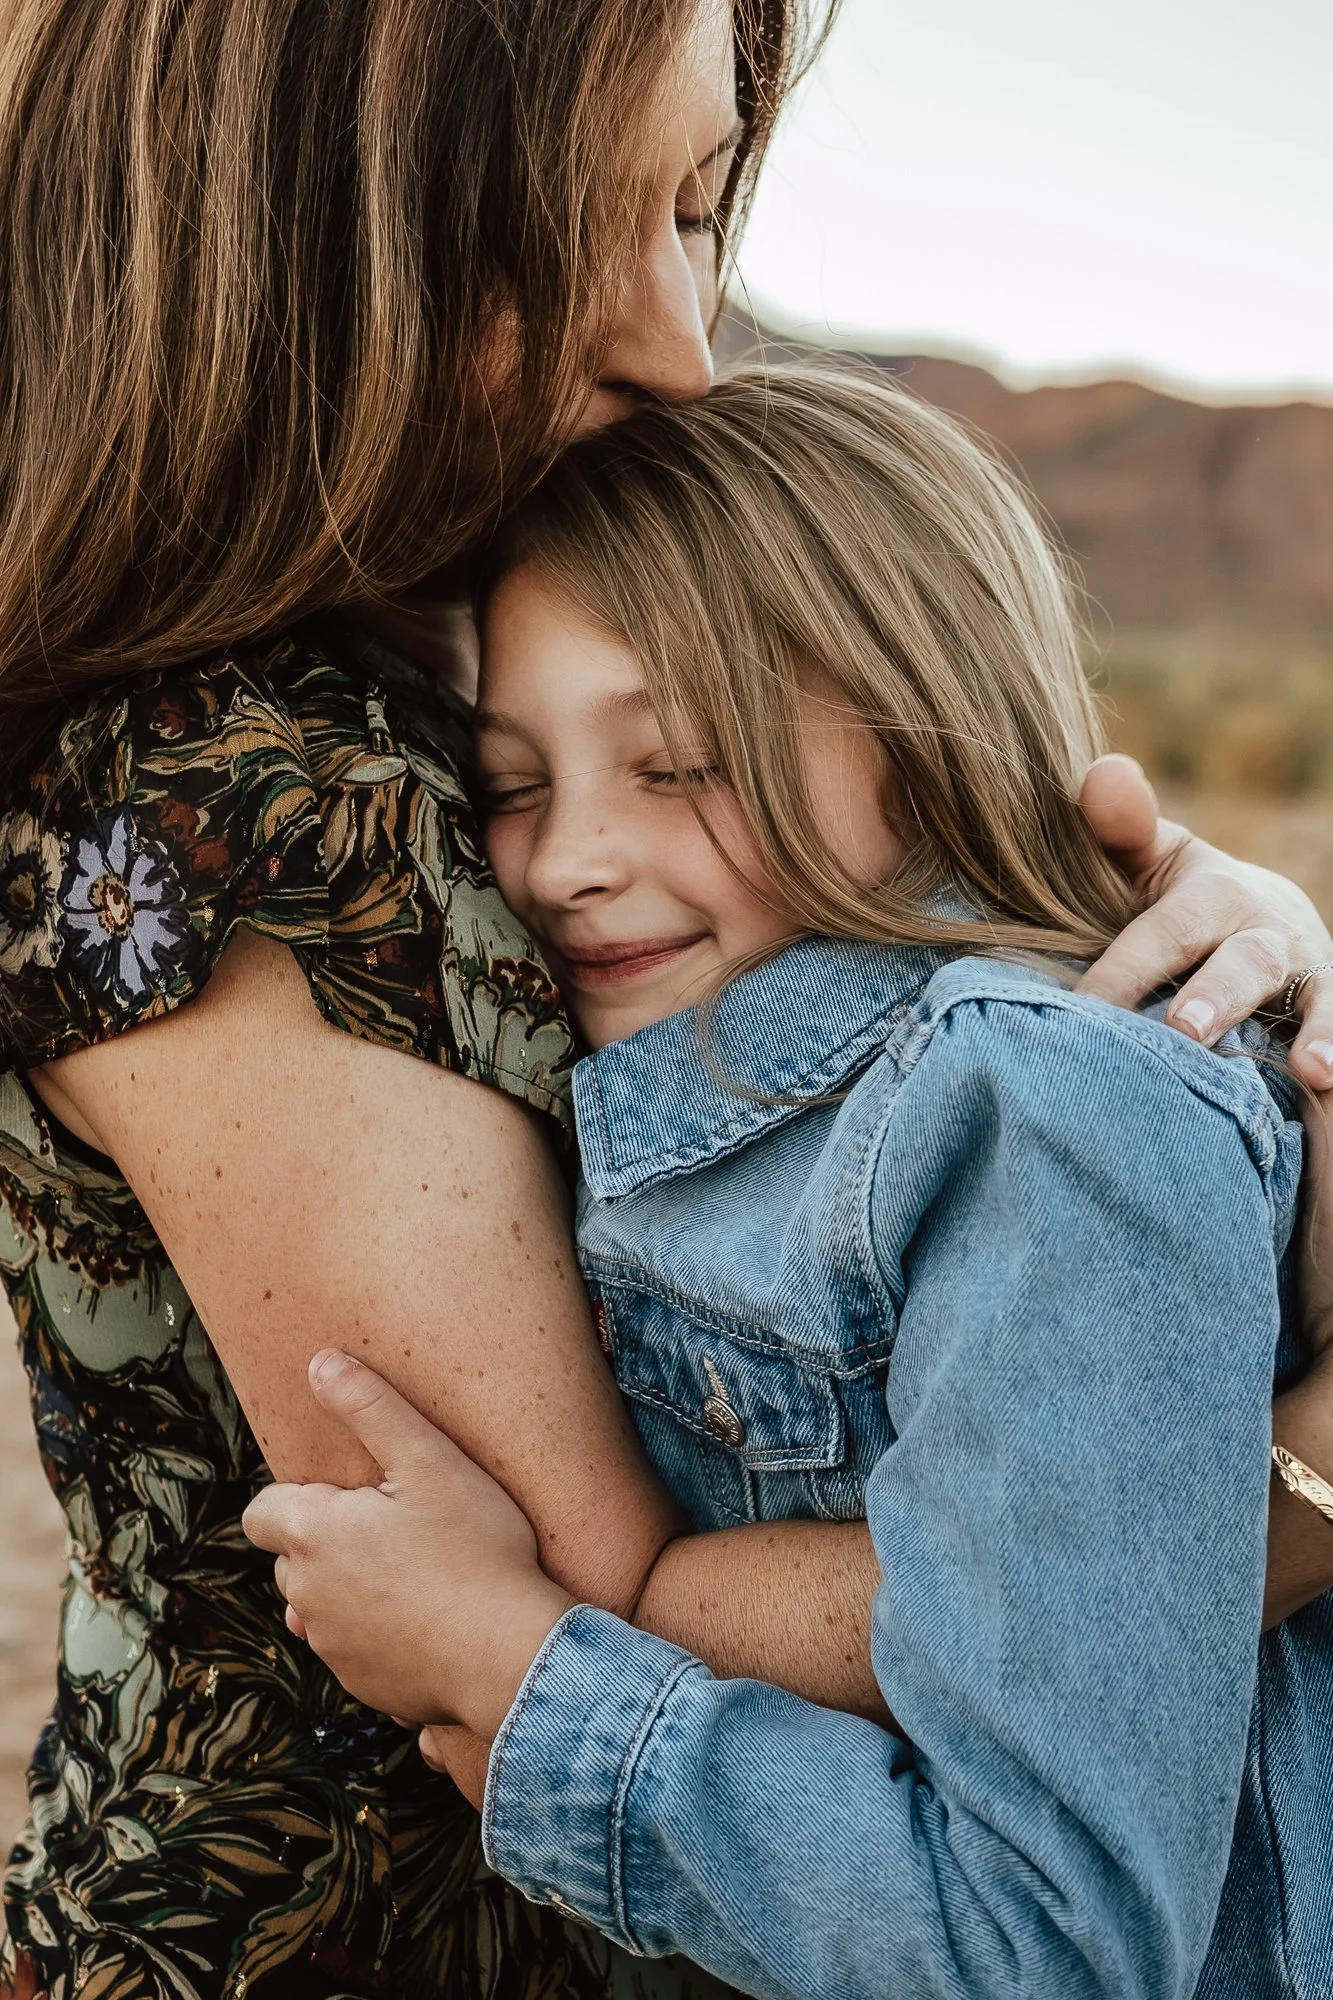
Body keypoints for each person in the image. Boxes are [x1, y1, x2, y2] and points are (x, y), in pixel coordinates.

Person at [2, 0, 1332, 1993]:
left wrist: (1175, 937)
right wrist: (1310, 1459)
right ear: (308, 231)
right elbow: (579, 1589)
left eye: (701, 205)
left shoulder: (474, 622)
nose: (684, 340)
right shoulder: (205, 795)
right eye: (566, 229)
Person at [246, 367, 1333, 2000]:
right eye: (516, 785)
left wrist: (523, 1675)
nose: (564, 862)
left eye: (678, 761)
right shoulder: (705, 1084)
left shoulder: (1035, 1118)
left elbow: (1054, 1956)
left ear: (929, 724)